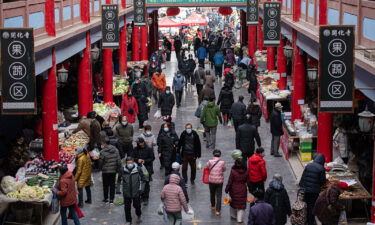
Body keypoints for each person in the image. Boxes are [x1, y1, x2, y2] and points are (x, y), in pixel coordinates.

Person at [299, 154, 327, 225]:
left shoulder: (308, 165)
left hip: (306, 189)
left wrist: (301, 187)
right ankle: (311, 221)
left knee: (306, 204)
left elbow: (303, 177)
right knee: (312, 206)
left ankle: (305, 219)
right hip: (314, 191)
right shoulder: (321, 168)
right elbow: (322, 181)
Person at [131, 137, 155, 204]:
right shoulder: (135, 149)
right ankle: (141, 196)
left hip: (147, 169)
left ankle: (146, 197)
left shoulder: (149, 149)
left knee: (146, 183)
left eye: (139, 143)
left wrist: (145, 161)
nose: (138, 144)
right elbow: (132, 157)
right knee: (139, 183)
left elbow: (152, 158)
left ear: (142, 142)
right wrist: (137, 160)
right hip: (138, 168)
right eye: (137, 143)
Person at [225, 158, 248, 224]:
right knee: (241, 204)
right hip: (243, 189)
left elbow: (230, 181)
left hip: (233, 189)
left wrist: (227, 189)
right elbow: (248, 181)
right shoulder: (246, 171)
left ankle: (233, 215)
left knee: (233, 202)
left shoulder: (233, 171)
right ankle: (239, 219)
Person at [99, 137, 121, 203]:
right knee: (112, 185)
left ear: (105, 143)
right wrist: (117, 168)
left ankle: (106, 198)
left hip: (105, 171)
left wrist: (101, 168)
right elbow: (119, 161)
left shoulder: (102, 151)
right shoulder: (116, 150)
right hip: (113, 171)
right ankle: (111, 198)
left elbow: (101, 162)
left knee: (105, 185)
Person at [122, 157, 144, 225]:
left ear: (133, 162)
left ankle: (139, 215)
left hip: (136, 191)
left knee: (137, 205)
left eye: (131, 163)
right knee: (127, 207)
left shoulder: (138, 169)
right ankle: (128, 220)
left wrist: (141, 189)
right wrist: (119, 190)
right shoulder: (123, 170)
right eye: (128, 163)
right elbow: (119, 180)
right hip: (126, 192)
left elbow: (143, 180)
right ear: (126, 163)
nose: (130, 164)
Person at [206, 149, 226, 216]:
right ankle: (218, 211)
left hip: (211, 180)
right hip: (219, 181)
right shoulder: (222, 162)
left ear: (213, 154)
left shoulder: (210, 161)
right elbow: (224, 169)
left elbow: (207, 167)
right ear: (220, 155)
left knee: (212, 193)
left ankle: (213, 205)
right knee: (219, 196)